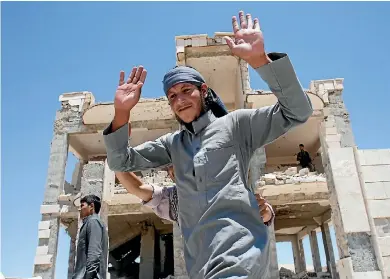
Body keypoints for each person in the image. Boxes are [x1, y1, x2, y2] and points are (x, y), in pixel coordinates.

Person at [104, 10, 313, 279]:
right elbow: (121, 162)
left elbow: (297, 112)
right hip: (200, 266)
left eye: (185, 91)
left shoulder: (237, 126)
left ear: (203, 91)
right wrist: (121, 113)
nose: (179, 100)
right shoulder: (173, 144)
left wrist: (260, 60)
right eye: (172, 96)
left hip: (239, 256)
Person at [115, 165, 275, 225]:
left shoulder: (223, 187)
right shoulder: (170, 199)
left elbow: (264, 213)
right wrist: (117, 156)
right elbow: (138, 188)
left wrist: (265, 212)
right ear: (172, 175)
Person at [72, 195, 109, 279]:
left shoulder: (93, 222)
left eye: (82, 205)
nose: (79, 209)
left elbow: (94, 254)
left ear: (91, 206)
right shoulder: (90, 223)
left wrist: (88, 276)